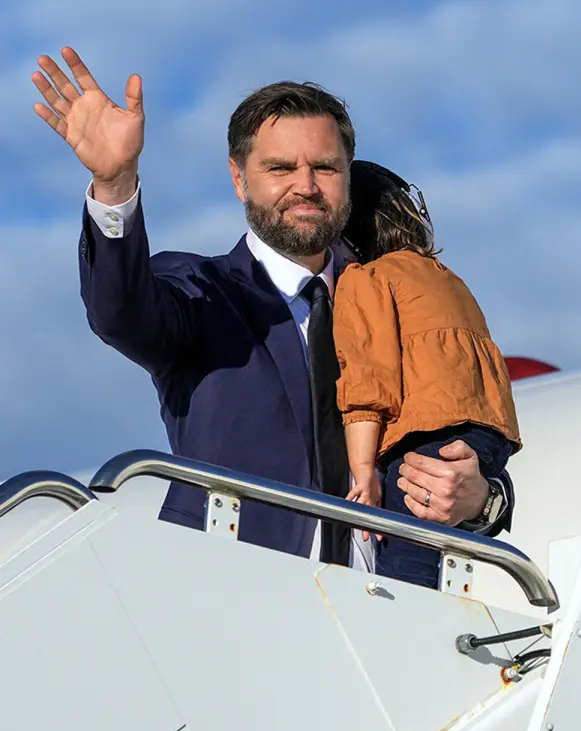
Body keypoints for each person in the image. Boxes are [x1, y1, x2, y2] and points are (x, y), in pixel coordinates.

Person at [31, 48, 511, 565]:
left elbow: (461, 426)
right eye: (280, 168)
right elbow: (119, 311)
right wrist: (114, 185)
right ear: (239, 180)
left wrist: (482, 499)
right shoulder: (201, 290)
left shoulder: (398, 301)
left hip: (385, 614)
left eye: (324, 167)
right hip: (232, 605)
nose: (305, 187)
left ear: (348, 174)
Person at [334, 160, 520, 588]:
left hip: (426, 441)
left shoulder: (366, 280)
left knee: (405, 574)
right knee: (442, 564)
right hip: (487, 442)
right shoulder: (446, 279)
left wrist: (363, 471)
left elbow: (368, 381)